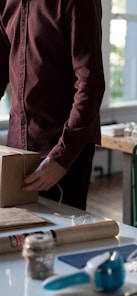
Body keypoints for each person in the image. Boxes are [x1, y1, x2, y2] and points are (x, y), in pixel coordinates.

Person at [0, 0, 105, 210]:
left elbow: (90, 85)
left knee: (61, 240)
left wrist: (62, 157)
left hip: (63, 152)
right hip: (16, 152)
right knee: (19, 239)